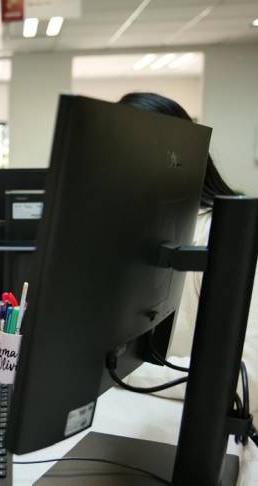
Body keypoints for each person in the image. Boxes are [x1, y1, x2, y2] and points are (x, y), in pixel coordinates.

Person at [118, 92, 258, 416]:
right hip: (144, 411)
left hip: (209, 429)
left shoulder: (225, 238)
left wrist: (124, 370)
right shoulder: (134, 231)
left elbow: (245, 375)